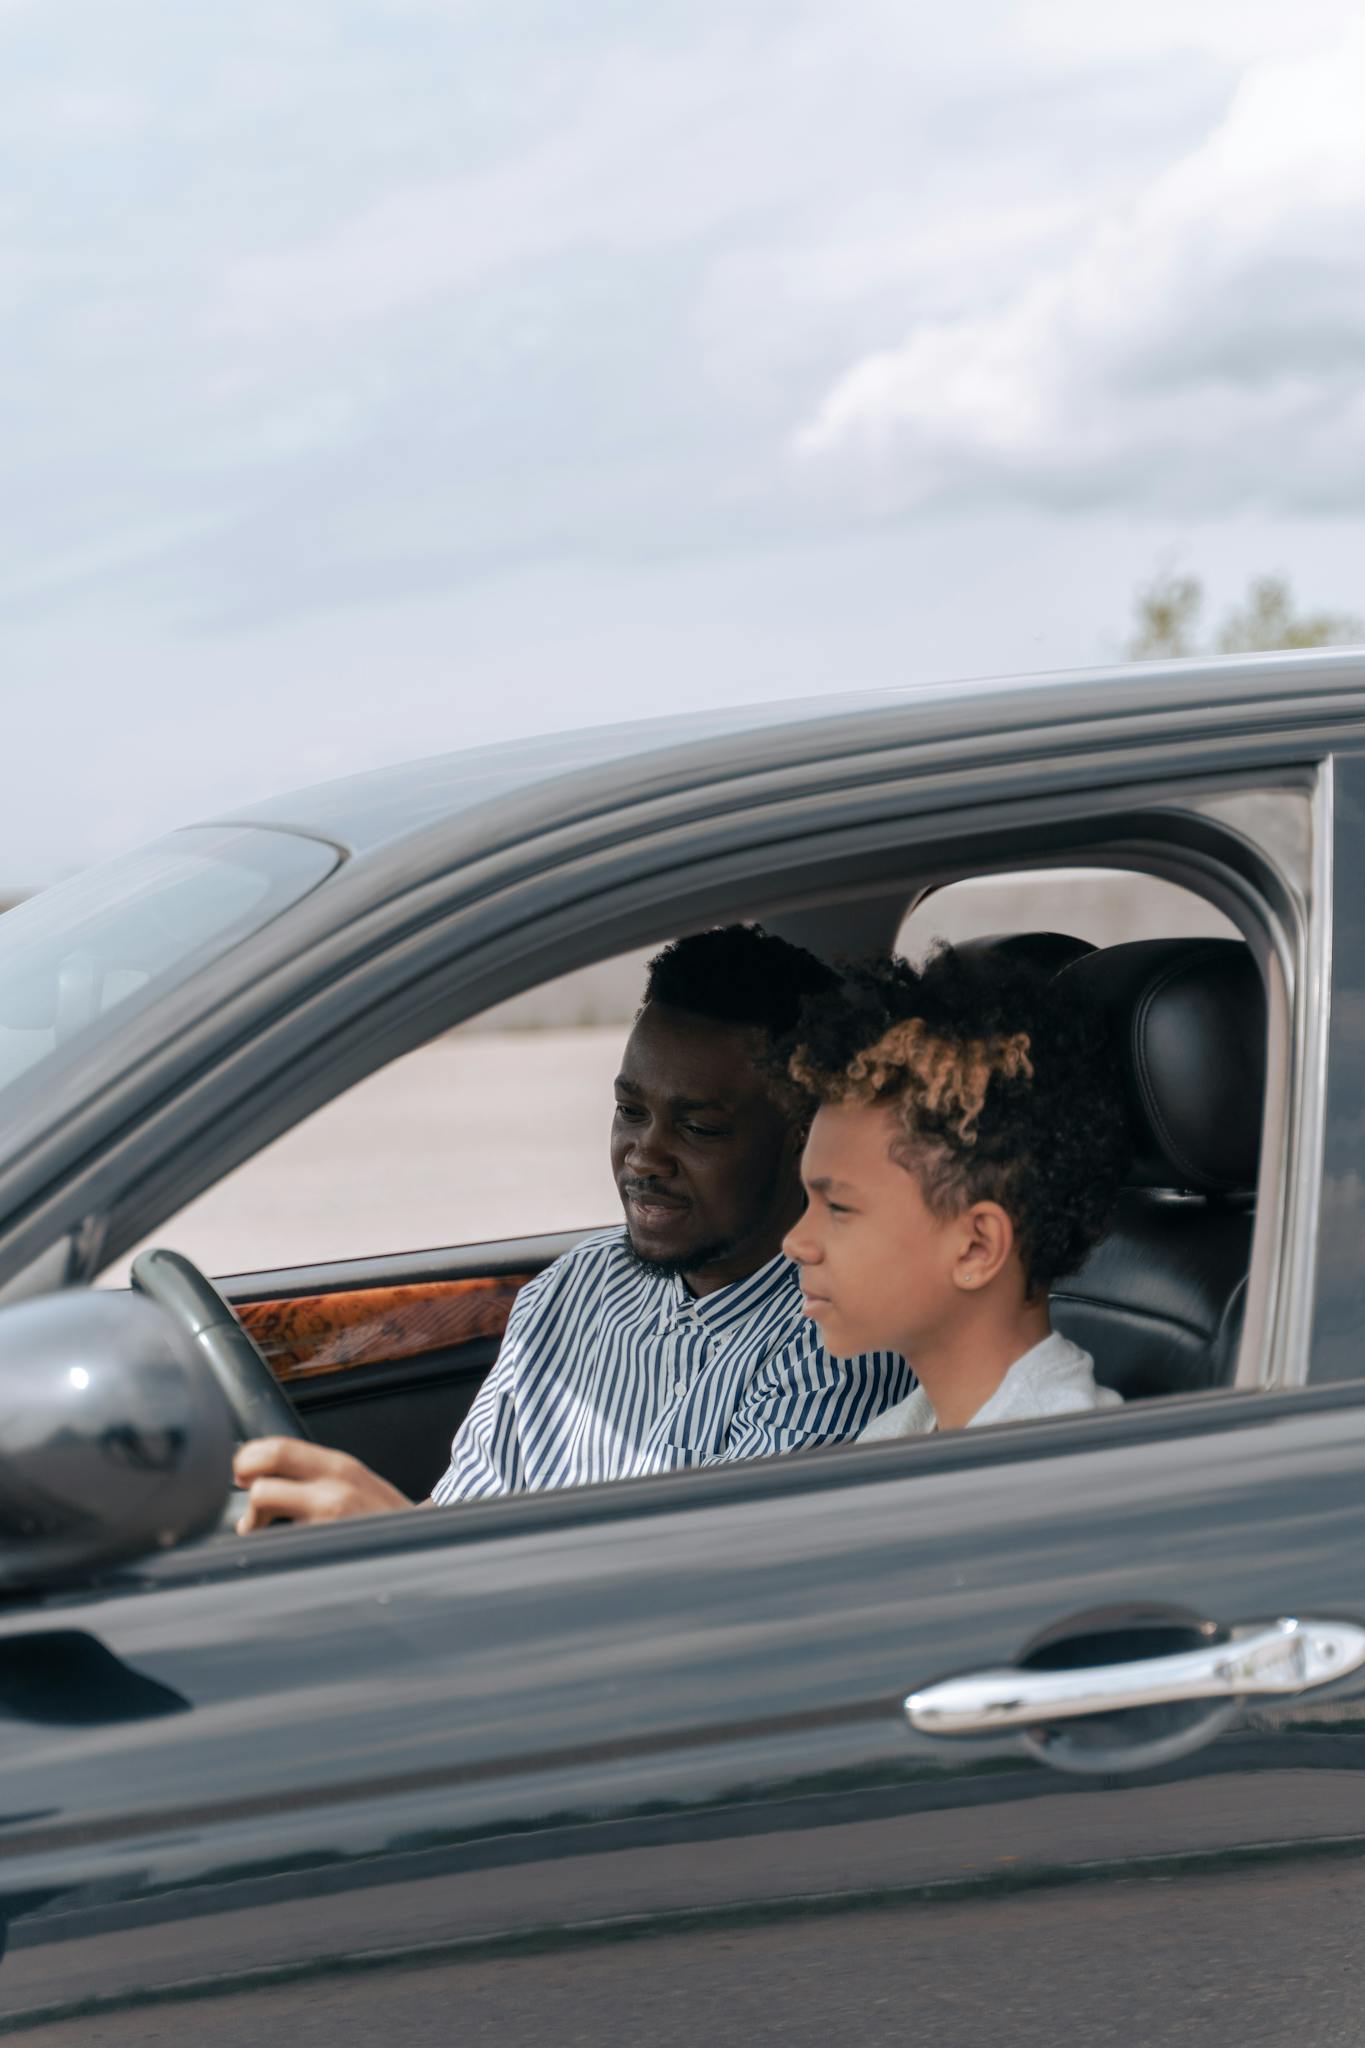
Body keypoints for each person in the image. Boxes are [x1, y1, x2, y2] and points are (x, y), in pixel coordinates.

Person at [234, 925, 912, 1527]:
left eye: (699, 1127)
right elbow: (465, 1512)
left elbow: (696, 1603)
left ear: (803, 1138)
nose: (643, 1156)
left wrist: (392, 1542)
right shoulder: (574, 1286)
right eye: (629, 1110)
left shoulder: (836, 1343)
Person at [780, 945, 1128, 1436]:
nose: (794, 1243)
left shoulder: (1058, 1470)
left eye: (837, 1206)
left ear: (976, 1248)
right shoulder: (902, 1430)